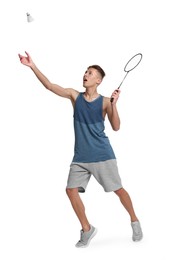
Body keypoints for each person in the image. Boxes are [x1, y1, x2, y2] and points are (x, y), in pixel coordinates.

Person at [18, 51, 143, 248]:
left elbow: (116, 127)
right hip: (81, 157)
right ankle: (87, 229)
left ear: (99, 80)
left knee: (118, 190)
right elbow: (50, 86)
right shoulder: (74, 96)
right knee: (70, 190)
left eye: (91, 73)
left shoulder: (104, 102)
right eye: (85, 71)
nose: (86, 74)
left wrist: (114, 105)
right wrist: (32, 65)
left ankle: (135, 220)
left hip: (102, 155)